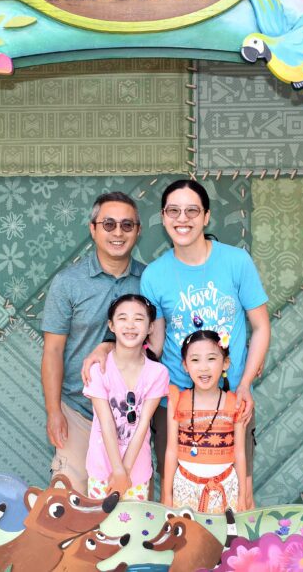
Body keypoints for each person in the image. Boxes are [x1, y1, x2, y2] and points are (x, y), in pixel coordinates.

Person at [84, 179, 269, 508]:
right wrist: (107, 347)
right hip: (174, 405)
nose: (182, 218)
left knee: (238, 497)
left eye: (191, 210)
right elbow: (150, 341)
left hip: (230, 401)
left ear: (206, 216)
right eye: (173, 211)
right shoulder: (155, 275)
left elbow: (261, 327)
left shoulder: (236, 262)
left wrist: (245, 384)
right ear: (163, 217)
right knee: (177, 497)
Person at [41, 191, 144, 493]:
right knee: (69, 502)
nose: (117, 232)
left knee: (125, 510)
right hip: (78, 412)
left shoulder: (149, 282)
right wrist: (54, 411)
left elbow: (155, 344)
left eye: (127, 225)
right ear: (93, 229)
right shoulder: (68, 283)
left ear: (138, 231)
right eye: (108, 224)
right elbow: (53, 350)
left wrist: (110, 345)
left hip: (130, 417)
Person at [83, 294, 169, 500]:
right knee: (101, 529)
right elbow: (106, 422)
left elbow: (142, 425)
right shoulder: (98, 370)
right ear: (111, 326)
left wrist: (126, 471)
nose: (130, 325)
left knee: (134, 530)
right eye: (122, 318)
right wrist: (117, 470)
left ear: (150, 328)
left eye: (138, 319)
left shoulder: (158, 373)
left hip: (136, 473)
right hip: (102, 469)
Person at [164, 330, 246, 513]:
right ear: (185, 365)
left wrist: (242, 496)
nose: (203, 367)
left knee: (223, 538)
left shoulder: (235, 403)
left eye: (211, 359)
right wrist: (167, 495)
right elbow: (171, 450)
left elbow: (240, 453)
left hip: (226, 486)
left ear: (225, 363)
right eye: (195, 360)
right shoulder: (177, 400)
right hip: (184, 487)